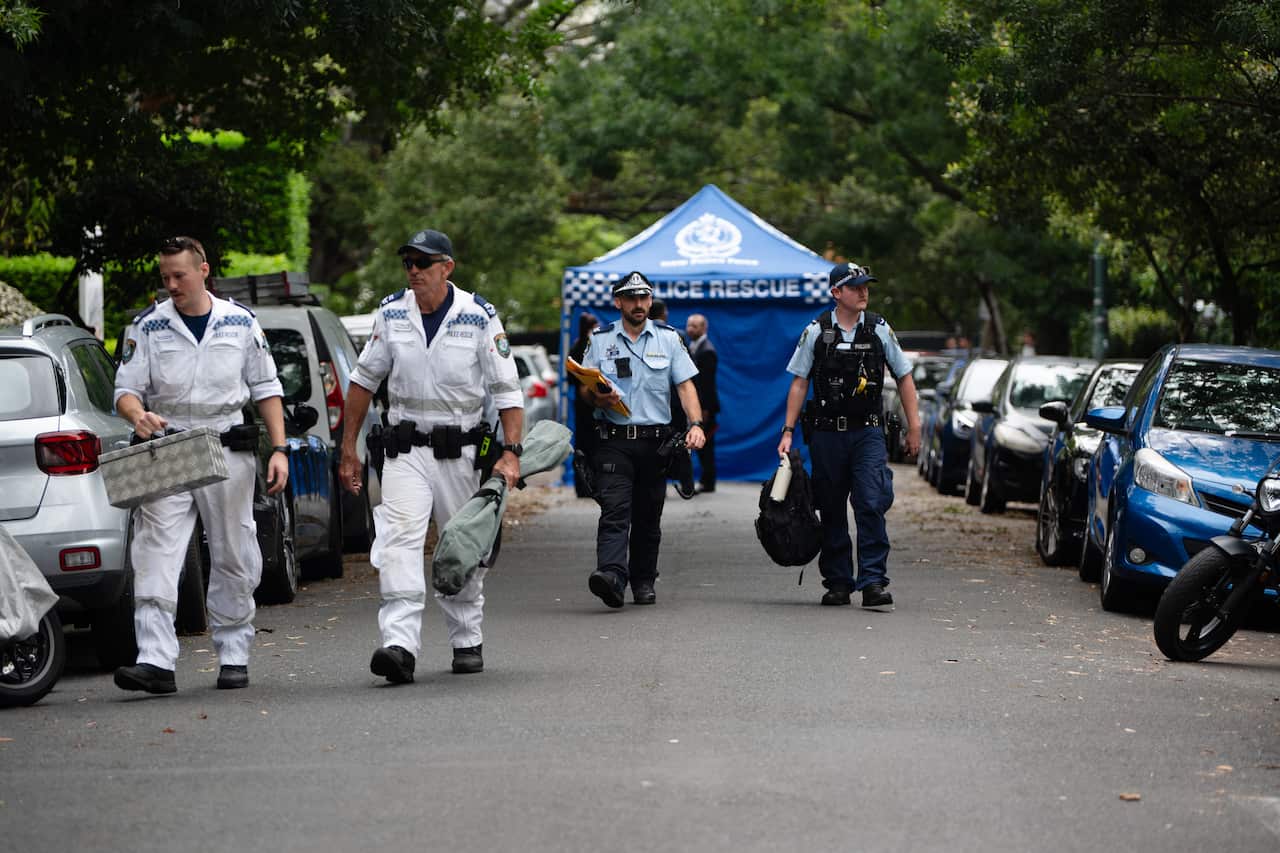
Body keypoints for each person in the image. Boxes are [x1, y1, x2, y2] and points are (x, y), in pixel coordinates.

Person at [338, 228, 523, 684]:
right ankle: (399, 645)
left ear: (447, 267)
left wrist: (512, 454)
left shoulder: (479, 317)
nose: (414, 271)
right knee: (398, 540)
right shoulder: (391, 313)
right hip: (404, 451)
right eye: (408, 263)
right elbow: (362, 382)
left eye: (423, 263)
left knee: (461, 546)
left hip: (460, 451)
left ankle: (466, 638)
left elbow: (507, 392)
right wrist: (349, 449)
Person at [112, 236, 289, 694]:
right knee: (155, 551)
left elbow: (267, 388)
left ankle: (233, 651)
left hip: (226, 446)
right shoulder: (147, 328)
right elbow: (125, 391)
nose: (171, 285)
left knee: (233, 550)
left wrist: (280, 450)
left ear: (203, 270)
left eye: (179, 275)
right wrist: (138, 415)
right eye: (165, 277)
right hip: (169, 449)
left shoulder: (240, 323)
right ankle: (155, 660)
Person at [777, 261, 921, 609]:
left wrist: (915, 427)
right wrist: (787, 431)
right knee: (831, 508)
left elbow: (904, 377)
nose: (863, 292)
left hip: (868, 433)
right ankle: (838, 582)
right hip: (827, 435)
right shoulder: (817, 331)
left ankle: (873, 581)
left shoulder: (879, 329)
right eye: (855, 287)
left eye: (865, 286)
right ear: (836, 293)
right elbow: (800, 382)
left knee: (871, 503)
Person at [580, 271, 705, 608]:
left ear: (650, 301)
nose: (638, 304)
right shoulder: (600, 340)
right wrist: (597, 398)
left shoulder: (668, 339)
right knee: (615, 510)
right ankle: (610, 575)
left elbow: (685, 385)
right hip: (614, 440)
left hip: (655, 442)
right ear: (618, 302)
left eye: (644, 297)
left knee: (648, 516)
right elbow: (585, 388)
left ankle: (643, 579)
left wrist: (696, 424)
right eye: (631, 298)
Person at [684, 313, 719, 493]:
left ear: (704, 328)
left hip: (704, 407)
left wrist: (704, 409)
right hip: (698, 404)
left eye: (695, 326)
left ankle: (708, 481)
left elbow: (706, 385)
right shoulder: (694, 347)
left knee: (706, 445)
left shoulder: (707, 351)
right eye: (689, 325)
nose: (690, 329)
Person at [569, 311, 599, 498]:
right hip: (591, 403)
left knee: (582, 446)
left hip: (582, 405)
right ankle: (590, 485)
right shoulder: (589, 347)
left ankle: (583, 486)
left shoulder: (575, 347)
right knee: (592, 446)